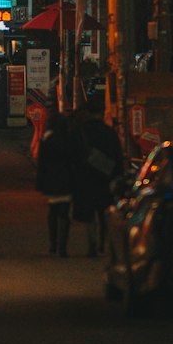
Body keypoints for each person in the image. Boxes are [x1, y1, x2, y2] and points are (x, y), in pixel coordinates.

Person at [69, 100, 124, 256]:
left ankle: (92, 243)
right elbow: (117, 157)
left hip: (84, 179)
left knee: (88, 214)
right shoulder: (110, 133)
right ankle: (104, 244)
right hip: (106, 178)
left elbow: (72, 156)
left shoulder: (78, 132)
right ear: (100, 114)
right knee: (105, 213)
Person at [36, 105, 73, 256]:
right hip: (67, 180)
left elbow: (41, 163)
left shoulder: (47, 140)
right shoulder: (69, 139)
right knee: (64, 213)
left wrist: (40, 182)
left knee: (53, 212)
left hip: (51, 180)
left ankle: (53, 244)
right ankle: (62, 246)